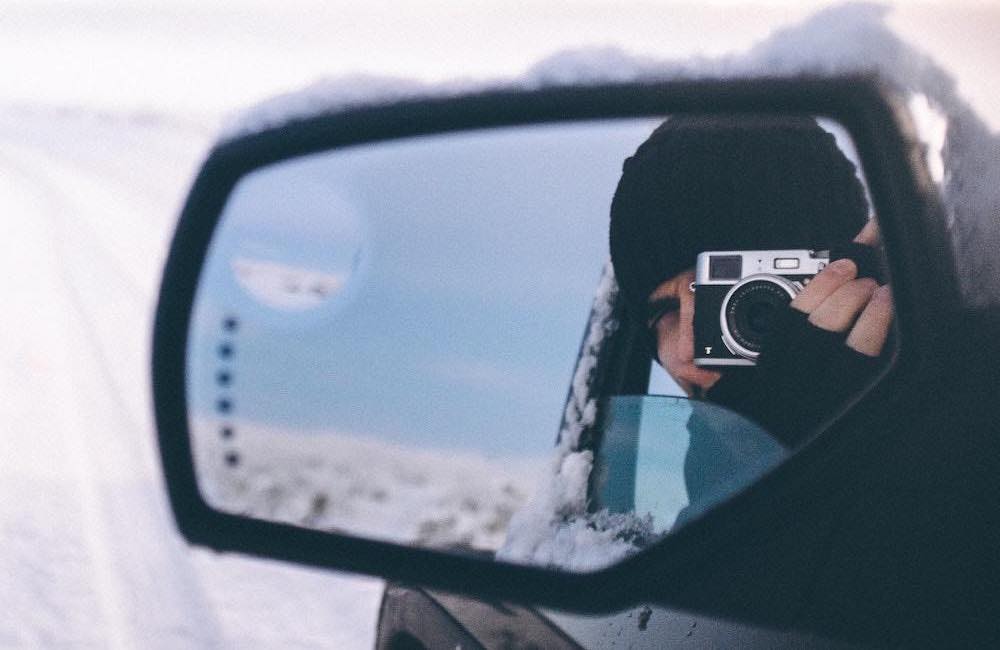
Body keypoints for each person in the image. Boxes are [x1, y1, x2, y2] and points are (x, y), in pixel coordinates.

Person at [608, 115, 895, 518]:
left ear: (846, 277)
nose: (693, 351)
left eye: (745, 302)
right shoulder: (701, 474)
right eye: (665, 313)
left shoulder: (944, 413)